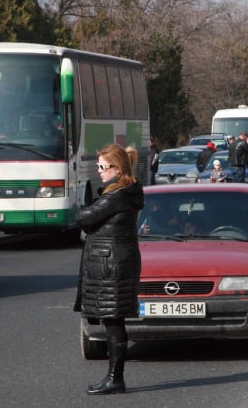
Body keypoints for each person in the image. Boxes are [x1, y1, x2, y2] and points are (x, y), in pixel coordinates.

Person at [74, 144, 144, 395]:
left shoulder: (117, 195)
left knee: (113, 322)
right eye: (98, 167)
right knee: (113, 320)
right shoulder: (123, 191)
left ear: (117, 168)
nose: (100, 172)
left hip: (111, 265)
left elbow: (83, 218)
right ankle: (114, 377)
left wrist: (87, 215)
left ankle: (115, 378)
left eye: (103, 167)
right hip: (117, 262)